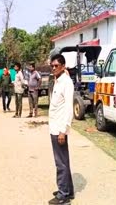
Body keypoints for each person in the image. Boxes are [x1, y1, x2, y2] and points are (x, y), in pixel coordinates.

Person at [48, 54, 74, 205]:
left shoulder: (66, 82)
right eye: (52, 66)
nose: (53, 68)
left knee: (61, 163)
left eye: (56, 66)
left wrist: (63, 131)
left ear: (63, 66)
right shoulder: (58, 80)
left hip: (59, 129)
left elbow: (69, 109)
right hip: (55, 127)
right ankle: (67, 190)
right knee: (63, 160)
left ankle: (63, 195)